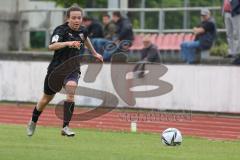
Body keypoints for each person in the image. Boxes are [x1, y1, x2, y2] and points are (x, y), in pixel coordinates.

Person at [26, 5, 103, 137]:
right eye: (73, 18)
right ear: (68, 19)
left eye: (79, 18)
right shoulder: (60, 30)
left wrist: (95, 53)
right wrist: (68, 43)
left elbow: (86, 39)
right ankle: (33, 121)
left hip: (72, 68)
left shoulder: (83, 30)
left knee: (71, 89)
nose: (77, 20)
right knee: (46, 99)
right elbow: (51, 46)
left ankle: (65, 127)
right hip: (56, 69)